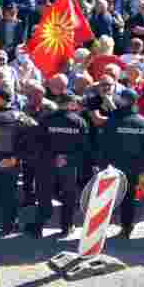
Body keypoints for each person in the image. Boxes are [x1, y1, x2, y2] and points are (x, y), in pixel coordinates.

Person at [0, 88, 36, 233]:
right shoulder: (21, 116)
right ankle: (10, 224)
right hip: (11, 162)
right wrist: (16, 158)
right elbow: (34, 135)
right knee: (10, 194)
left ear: (1, 99)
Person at [97, 88, 144, 238]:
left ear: (125, 101)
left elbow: (103, 145)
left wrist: (101, 164)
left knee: (106, 199)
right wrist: (142, 168)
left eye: (120, 99)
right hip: (133, 169)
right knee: (128, 199)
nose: (117, 100)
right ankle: (126, 227)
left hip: (112, 167)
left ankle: (98, 230)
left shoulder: (113, 121)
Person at [33, 92, 90, 239]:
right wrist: (68, 158)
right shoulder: (79, 122)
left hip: (47, 164)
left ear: (58, 102)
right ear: (71, 103)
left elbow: (38, 143)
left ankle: (38, 226)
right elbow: (83, 147)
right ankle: (66, 227)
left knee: (44, 195)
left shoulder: (46, 119)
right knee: (68, 197)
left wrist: (54, 157)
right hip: (69, 166)